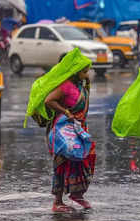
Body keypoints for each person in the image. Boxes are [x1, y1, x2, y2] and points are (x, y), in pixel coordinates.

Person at [41, 51, 96, 212]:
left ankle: (77, 194)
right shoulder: (65, 86)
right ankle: (57, 202)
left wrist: (86, 81)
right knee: (62, 163)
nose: (87, 74)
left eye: (87, 71)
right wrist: (66, 112)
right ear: (75, 71)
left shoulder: (82, 85)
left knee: (86, 157)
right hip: (63, 131)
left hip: (78, 129)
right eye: (84, 71)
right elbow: (49, 100)